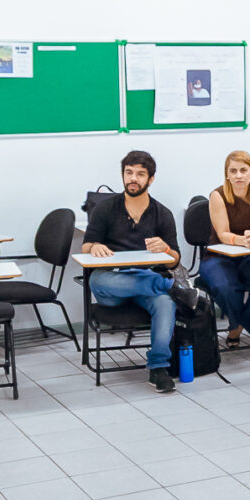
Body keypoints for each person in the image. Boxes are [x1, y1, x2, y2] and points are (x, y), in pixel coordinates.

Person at [80, 149, 183, 393]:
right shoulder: (105, 209)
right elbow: (86, 245)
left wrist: (166, 249)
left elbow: (175, 259)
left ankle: (158, 368)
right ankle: (171, 287)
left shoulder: (162, 214)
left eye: (140, 174)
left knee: (165, 304)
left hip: (144, 281)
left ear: (151, 179)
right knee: (102, 279)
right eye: (128, 173)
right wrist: (95, 247)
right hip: (111, 283)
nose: (133, 179)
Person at [197, 149, 250, 348]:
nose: (238, 175)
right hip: (218, 255)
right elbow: (223, 234)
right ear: (227, 174)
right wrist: (242, 240)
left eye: (243, 170)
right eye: (234, 171)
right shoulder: (217, 195)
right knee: (225, 287)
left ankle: (243, 322)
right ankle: (236, 325)